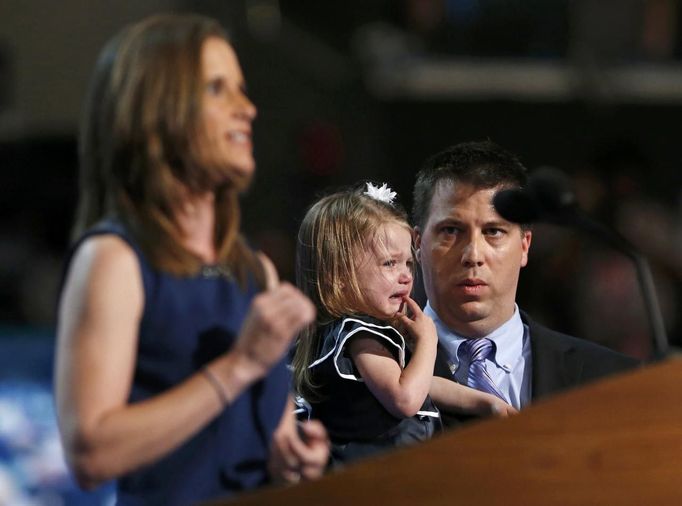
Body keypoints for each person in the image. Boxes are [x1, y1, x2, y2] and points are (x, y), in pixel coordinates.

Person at [54, 14, 328, 505]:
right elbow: (90, 453)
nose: (247, 108)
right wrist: (239, 365)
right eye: (218, 89)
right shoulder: (113, 260)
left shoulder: (254, 271)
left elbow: (258, 442)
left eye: (241, 89)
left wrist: (290, 458)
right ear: (158, 111)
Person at [412, 140, 640, 428]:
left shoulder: (609, 379)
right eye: (451, 231)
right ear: (417, 244)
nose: (473, 255)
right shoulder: (365, 366)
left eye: (493, 231)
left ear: (524, 246)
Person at [291, 182, 515, 464]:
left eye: (408, 264)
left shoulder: (357, 334)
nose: (406, 276)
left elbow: (419, 383)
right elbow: (406, 398)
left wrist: (484, 402)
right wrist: (428, 341)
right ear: (340, 275)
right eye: (389, 264)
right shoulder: (361, 337)